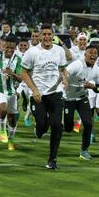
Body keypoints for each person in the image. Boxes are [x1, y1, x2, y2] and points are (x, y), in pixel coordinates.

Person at [20, 23, 68, 169]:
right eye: (44, 34)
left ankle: (52, 158)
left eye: (49, 34)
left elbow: (62, 69)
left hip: (55, 93)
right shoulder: (32, 52)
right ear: (40, 36)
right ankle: (39, 127)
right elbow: (23, 72)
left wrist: (65, 77)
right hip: (38, 94)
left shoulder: (59, 50)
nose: (47, 37)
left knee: (57, 126)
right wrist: (34, 90)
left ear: (53, 36)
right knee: (41, 127)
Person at [64, 44, 99, 160]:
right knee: (68, 128)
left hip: (82, 98)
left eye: (95, 53)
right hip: (68, 98)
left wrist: (93, 86)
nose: (93, 55)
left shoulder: (96, 69)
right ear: (85, 54)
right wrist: (65, 82)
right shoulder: (77, 65)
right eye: (90, 52)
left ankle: (84, 150)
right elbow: (64, 73)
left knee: (88, 123)